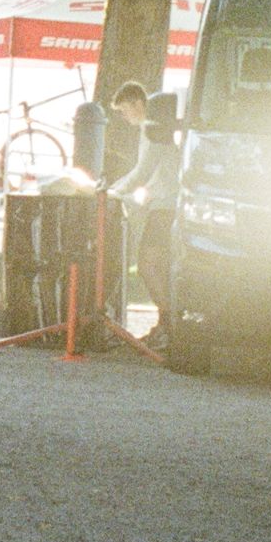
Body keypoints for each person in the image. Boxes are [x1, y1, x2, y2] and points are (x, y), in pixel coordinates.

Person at [108, 81, 178, 348]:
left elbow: (143, 171)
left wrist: (114, 189)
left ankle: (170, 320)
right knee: (159, 266)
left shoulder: (151, 130)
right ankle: (165, 323)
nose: (124, 119)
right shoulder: (153, 129)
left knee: (148, 264)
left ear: (138, 103)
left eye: (124, 111)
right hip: (162, 203)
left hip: (166, 206)